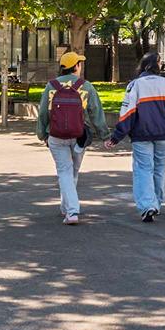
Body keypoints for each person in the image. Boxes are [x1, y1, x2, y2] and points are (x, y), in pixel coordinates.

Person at [106, 51, 165, 222]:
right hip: (164, 135)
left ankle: (147, 206)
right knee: (159, 169)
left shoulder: (135, 85)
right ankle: (156, 203)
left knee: (143, 170)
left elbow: (127, 113)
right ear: (157, 64)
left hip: (141, 136)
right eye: (161, 61)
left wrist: (116, 137)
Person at [36, 51, 106, 225]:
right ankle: (72, 210)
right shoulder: (86, 86)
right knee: (72, 172)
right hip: (79, 136)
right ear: (75, 67)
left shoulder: (51, 86)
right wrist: (105, 135)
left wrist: (43, 134)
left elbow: (43, 112)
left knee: (64, 172)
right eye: (79, 64)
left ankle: (66, 208)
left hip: (56, 136)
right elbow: (96, 113)